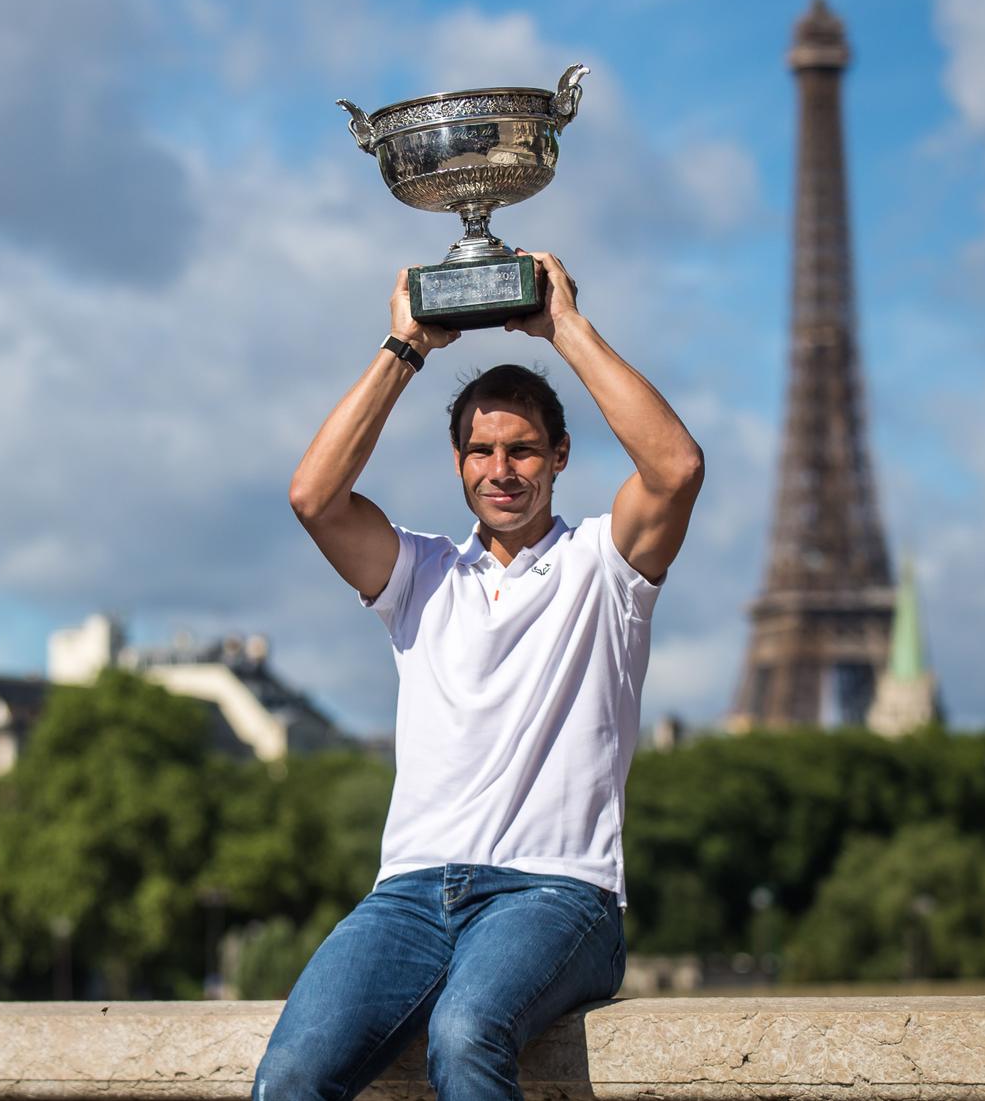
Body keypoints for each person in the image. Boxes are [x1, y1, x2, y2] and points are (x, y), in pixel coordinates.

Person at [256, 251, 703, 1100]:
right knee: (288, 1076)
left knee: (466, 1034)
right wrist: (404, 346)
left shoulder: (604, 565)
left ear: (561, 455)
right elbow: (314, 496)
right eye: (482, 449)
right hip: (410, 894)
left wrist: (563, 326)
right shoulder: (419, 574)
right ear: (458, 460)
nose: (502, 469)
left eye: (524, 449)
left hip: (557, 893)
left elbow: (676, 468)